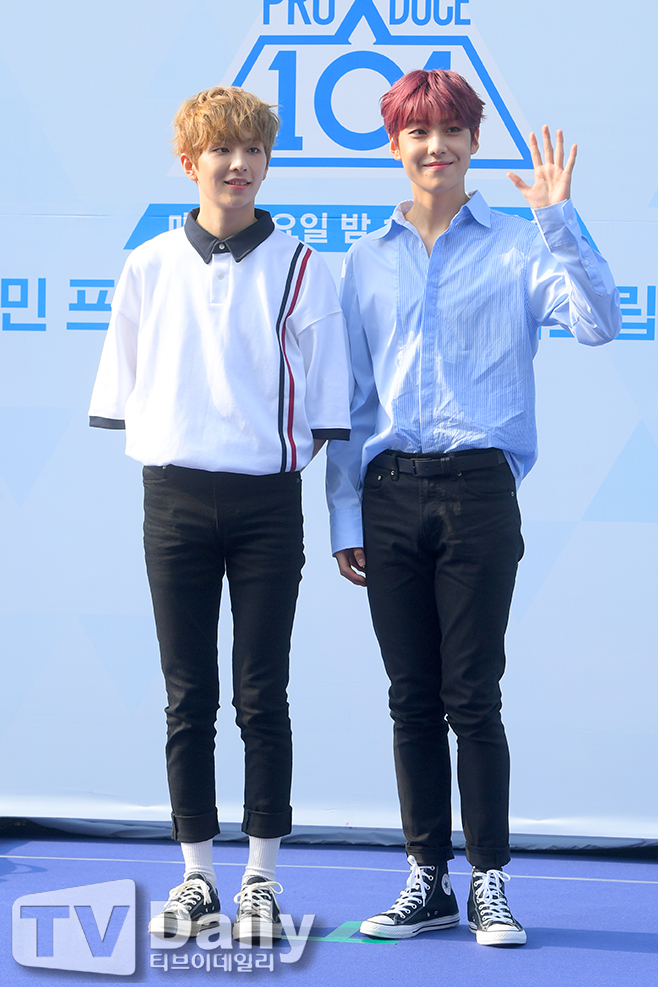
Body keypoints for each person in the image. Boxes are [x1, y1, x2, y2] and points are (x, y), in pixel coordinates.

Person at [326, 69, 620, 947]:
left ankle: (489, 880)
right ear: (394, 146)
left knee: (473, 694)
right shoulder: (364, 260)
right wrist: (345, 515)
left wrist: (559, 219)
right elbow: (352, 403)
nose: (436, 147)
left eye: (451, 130)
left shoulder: (523, 246)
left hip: (480, 490)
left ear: (473, 142)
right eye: (419, 132)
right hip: (388, 494)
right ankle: (428, 880)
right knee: (410, 698)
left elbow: (599, 322)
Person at [89, 86, 351, 943]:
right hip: (172, 498)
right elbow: (129, 388)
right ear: (189, 163)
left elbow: (325, 399)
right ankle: (197, 875)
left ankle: (261, 879)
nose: (239, 166)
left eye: (254, 152)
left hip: (268, 502)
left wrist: (280, 458)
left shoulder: (302, 265)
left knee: (261, 694)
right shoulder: (147, 264)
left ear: (267, 163)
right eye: (221, 152)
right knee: (187, 694)